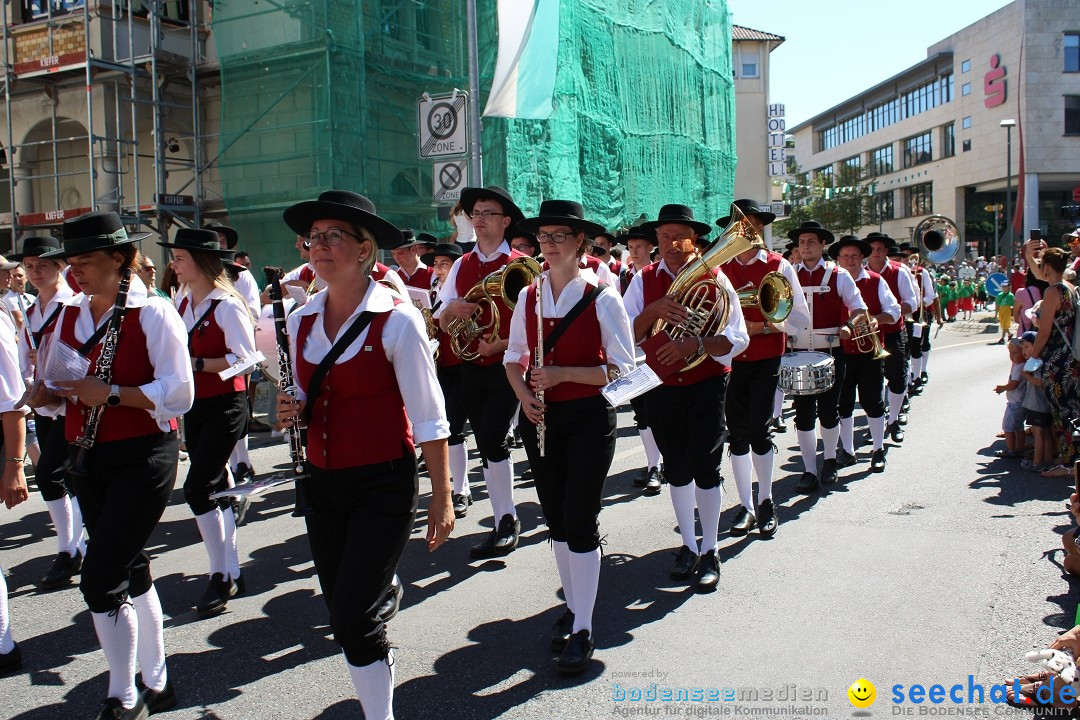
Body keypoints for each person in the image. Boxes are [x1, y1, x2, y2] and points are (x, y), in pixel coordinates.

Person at [277, 190, 453, 720]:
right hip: (321, 483)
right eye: (314, 238)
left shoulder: (397, 320)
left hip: (383, 481)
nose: (320, 246)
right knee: (341, 611)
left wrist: (442, 497)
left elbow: (430, 416)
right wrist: (291, 409)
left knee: (353, 617)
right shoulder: (299, 319)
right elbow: (305, 395)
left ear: (364, 249)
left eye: (335, 236)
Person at [35, 210, 193, 719]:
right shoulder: (68, 313)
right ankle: (158, 680)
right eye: (71, 263)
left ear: (121, 259)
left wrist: (115, 395)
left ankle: (123, 694)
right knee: (130, 567)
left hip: (142, 454)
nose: (74, 272)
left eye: (85, 262)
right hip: (87, 452)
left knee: (101, 579)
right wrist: (48, 395)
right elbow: (68, 389)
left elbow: (181, 392)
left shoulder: (154, 313)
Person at [504, 199, 635, 674]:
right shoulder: (528, 296)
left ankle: (583, 625)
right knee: (556, 519)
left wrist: (562, 375)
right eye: (544, 237)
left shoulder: (604, 296)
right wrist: (524, 396)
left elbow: (624, 371)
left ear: (580, 243)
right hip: (540, 417)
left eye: (560, 236)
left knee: (580, 517)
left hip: (587, 417)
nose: (550, 245)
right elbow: (513, 358)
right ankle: (575, 606)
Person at [623, 204, 749, 591]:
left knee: (706, 466)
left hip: (707, 383)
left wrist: (696, 343)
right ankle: (688, 545)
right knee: (676, 467)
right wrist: (654, 310)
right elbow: (623, 334)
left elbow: (738, 339)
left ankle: (710, 549)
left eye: (679, 236)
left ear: (694, 240)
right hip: (661, 385)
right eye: (664, 237)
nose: (671, 244)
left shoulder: (718, 278)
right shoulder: (643, 280)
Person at [162, 229, 258, 617]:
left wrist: (198, 364)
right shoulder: (183, 300)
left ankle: (222, 574)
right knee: (214, 487)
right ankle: (230, 569)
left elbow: (246, 359)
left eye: (180, 258)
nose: (174, 264)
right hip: (196, 406)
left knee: (198, 488)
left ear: (201, 262)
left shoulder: (227, 305)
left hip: (226, 404)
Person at [436, 185, 528, 559]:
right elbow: (441, 319)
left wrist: (502, 344)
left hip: (508, 366)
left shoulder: (522, 263)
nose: (479, 218)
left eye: (488, 213)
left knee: (492, 438)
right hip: (472, 365)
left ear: (505, 221)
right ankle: (503, 518)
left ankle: (507, 519)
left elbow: (533, 323)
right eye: (475, 212)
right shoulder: (460, 264)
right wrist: (452, 310)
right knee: (487, 443)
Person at [718, 199, 808, 537]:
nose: (747, 231)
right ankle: (746, 506)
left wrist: (763, 327)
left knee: (759, 430)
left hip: (765, 359)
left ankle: (767, 500)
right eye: (741, 225)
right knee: (737, 434)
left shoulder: (778, 265)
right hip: (729, 363)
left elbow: (799, 319)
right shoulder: (720, 266)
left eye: (753, 225)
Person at [11, 236, 84, 590]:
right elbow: (26, 354)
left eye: (42, 264)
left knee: (57, 474)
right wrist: (31, 386)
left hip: (71, 402)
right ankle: (72, 547)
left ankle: (72, 548)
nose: (34, 271)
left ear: (59, 267)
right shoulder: (30, 310)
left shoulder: (73, 305)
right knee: (57, 476)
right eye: (29, 266)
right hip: (45, 403)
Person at [787, 221, 868, 491]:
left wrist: (848, 326)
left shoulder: (839, 275)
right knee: (803, 414)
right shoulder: (787, 276)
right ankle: (810, 470)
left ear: (823, 245)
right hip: (797, 355)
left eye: (811, 241)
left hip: (831, 354)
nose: (805, 246)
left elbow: (859, 308)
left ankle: (831, 460)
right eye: (801, 242)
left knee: (829, 412)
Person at [830, 236, 901, 473]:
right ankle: (847, 451)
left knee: (873, 401)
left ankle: (878, 450)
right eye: (845, 257)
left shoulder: (876, 280)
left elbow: (894, 311)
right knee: (844, 403)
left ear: (862, 258)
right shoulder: (832, 281)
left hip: (869, 352)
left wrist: (874, 319)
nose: (850, 261)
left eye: (855, 256)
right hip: (841, 353)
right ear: (838, 259)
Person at [424, 242, 472, 517]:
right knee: (445, 428)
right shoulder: (430, 292)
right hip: (437, 367)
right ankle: (457, 487)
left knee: (454, 427)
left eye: (444, 264)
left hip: (460, 364)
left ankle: (462, 489)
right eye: (437, 264)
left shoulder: (459, 293)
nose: (438, 269)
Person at [1025, 247, 1080, 478]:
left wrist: (1033, 356)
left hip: (1058, 360)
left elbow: (1045, 330)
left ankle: (1068, 464)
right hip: (1072, 358)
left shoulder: (1052, 292)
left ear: (1047, 266)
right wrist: (1030, 255)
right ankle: (1071, 460)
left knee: (1062, 413)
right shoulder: (1069, 287)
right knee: (1073, 409)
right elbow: (1040, 275)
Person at [621, 227, 664, 493]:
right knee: (642, 413)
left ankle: (663, 461)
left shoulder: (659, 274)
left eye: (639, 246)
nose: (633, 251)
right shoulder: (623, 278)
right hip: (634, 356)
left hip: (658, 354)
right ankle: (653, 465)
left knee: (661, 412)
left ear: (650, 248)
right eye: (630, 247)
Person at [864, 232, 918, 444]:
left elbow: (912, 303)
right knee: (871, 382)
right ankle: (875, 422)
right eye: (872, 249)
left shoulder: (900, 271)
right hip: (867, 336)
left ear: (886, 251)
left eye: (880, 249)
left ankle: (893, 419)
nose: (876, 253)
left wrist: (887, 315)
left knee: (896, 377)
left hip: (894, 332)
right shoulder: (857, 273)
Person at [1017, 332, 1055, 472]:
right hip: (1041, 405)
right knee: (1045, 434)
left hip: (1037, 405)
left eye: (1027, 346)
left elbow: (1038, 382)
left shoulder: (1036, 363)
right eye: (1023, 347)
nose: (1024, 350)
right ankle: (1048, 460)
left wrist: (1027, 375)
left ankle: (1037, 463)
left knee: (1038, 433)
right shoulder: (1038, 361)